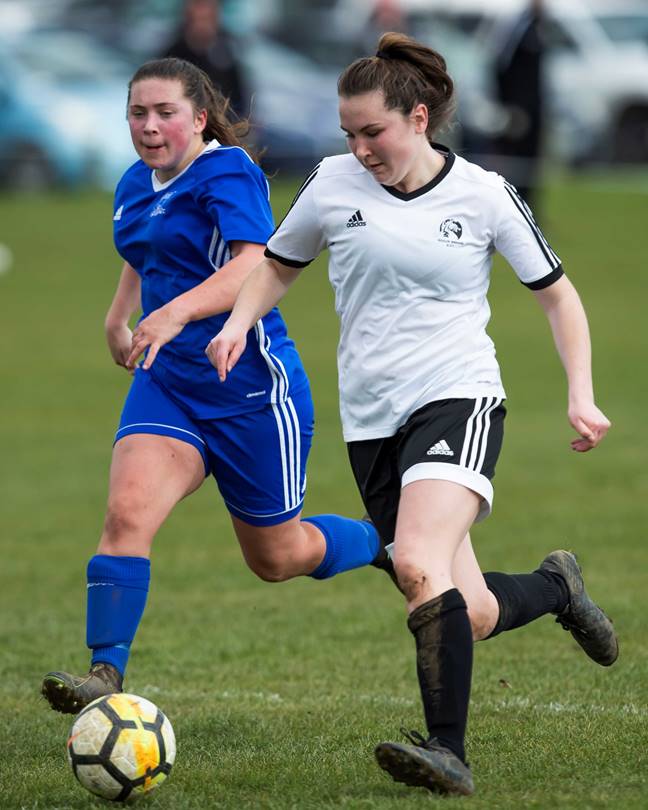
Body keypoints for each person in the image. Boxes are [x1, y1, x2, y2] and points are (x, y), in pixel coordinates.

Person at [207, 32, 617, 797]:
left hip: (458, 395)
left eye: (374, 132)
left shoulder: (485, 194)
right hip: (371, 422)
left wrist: (581, 391)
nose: (360, 149)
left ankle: (448, 751)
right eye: (349, 134)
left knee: (420, 562)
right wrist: (236, 324)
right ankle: (559, 588)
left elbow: (558, 295)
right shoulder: (330, 185)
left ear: (419, 117)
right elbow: (276, 266)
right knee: (475, 609)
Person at [41, 56, 391, 715]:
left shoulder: (227, 171)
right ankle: (105, 675)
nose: (149, 126)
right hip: (169, 384)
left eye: (165, 112)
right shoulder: (133, 183)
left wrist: (171, 312)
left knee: (277, 557)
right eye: (138, 113)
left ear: (199, 118)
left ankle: (383, 541)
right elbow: (145, 253)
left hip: (252, 390)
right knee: (125, 515)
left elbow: (253, 267)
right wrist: (120, 315)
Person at [490, 0, 547, 209]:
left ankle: (529, 210)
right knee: (515, 160)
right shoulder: (517, 25)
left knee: (532, 162)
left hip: (536, 109)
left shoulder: (538, 25)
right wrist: (508, 105)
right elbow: (499, 63)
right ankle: (511, 207)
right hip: (519, 110)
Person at [163, 0, 248, 118]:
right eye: (199, 19)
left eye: (207, 19)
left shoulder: (227, 47)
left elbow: (239, 98)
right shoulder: (173, 51)